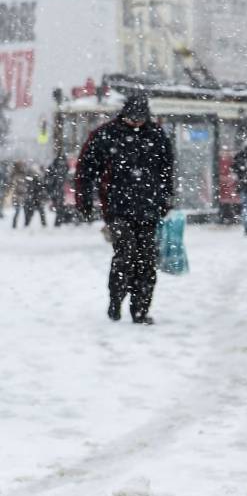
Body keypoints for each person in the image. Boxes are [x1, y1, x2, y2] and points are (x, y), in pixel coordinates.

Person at [76, 91, 174, 325]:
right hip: (117, 209)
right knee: (125, 256)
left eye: (142, 118)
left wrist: (166, 198)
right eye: (133, 118)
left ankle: (140, 310)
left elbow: (166, 170)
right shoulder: (106, 135)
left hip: (149, 209)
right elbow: (86, 168)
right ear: (125, 114)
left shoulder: (157, 135)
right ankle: (116, 299)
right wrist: (85, 201)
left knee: (147, 261)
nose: (137, 122)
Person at [45, 153, 70, 226]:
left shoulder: (54, 166)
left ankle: (59, 222)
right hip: (57, 189)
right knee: (60, 206)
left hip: (56, 189)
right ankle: (59, 222)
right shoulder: (61, 167)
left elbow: (48, 178)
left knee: (59, 206)